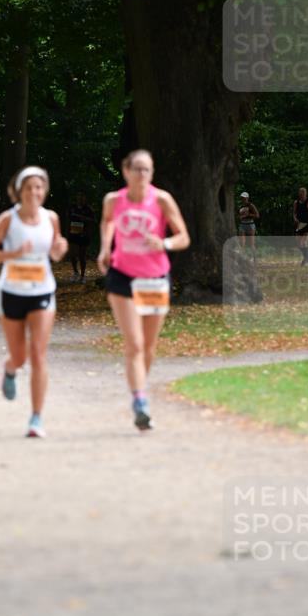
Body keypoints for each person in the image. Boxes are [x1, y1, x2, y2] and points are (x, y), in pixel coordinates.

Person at [97, 149, 190, 430]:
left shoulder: (161, 199)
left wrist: (165, 244)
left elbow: (183, 236)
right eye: (137, 168)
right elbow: (107, 221)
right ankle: (140, 401)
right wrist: (105, 248)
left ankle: (140, 389)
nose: (142, 174)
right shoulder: (114, 200)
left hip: (155, 278)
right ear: (125, 171)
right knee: (134, 344)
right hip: (122, 277)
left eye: (147, 169)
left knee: (148, 347)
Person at [0, 166, 68, 438]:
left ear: (45, 191)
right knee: (20, 356)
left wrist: (59, 249)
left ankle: (36, 418)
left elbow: (55, 251)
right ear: (19, 191)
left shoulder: (51, 218)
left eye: (39, 187)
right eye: (29, 187)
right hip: (11, 292)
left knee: (39, 355)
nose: (34, 192)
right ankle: (9, 368)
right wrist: (14, 253)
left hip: (41, 291)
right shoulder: (8, 220)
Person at [67, 193, 96, 282]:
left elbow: (93, 221)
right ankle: (76, 273)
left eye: (82, 197)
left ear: (85, 198)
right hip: (73, 233)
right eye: (78, 196)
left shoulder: (88, 210)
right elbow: (68, 220)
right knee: (72, 255)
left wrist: (86, 221)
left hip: (84, 234)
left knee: (81, 256)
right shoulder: (72, 208)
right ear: (76, 198)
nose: (80, 198)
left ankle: (83, 276)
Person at [293, 186, 308, 265]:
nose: (302, 195)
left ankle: (307, 259)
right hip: (300, 225)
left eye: (303, 194)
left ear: (306, 194)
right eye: (300, 193)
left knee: (303, 242)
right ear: (299, 194)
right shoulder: (296, 202)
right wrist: (295, 219)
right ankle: (307, 255)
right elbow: (294, 213)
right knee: (298, 243)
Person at [237, 191, 260, 258]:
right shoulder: (240, 206)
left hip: (250, 225)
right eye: (242, 198)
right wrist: (240, 217)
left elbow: (257, 215)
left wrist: (248, 215)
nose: (243, 199)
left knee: (251, 243)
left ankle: (254, 258)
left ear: (247, 198)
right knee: (242, 243)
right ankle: (242, 258)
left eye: (244, 198)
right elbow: (238, 215)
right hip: (242, 225)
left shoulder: (251, 205)